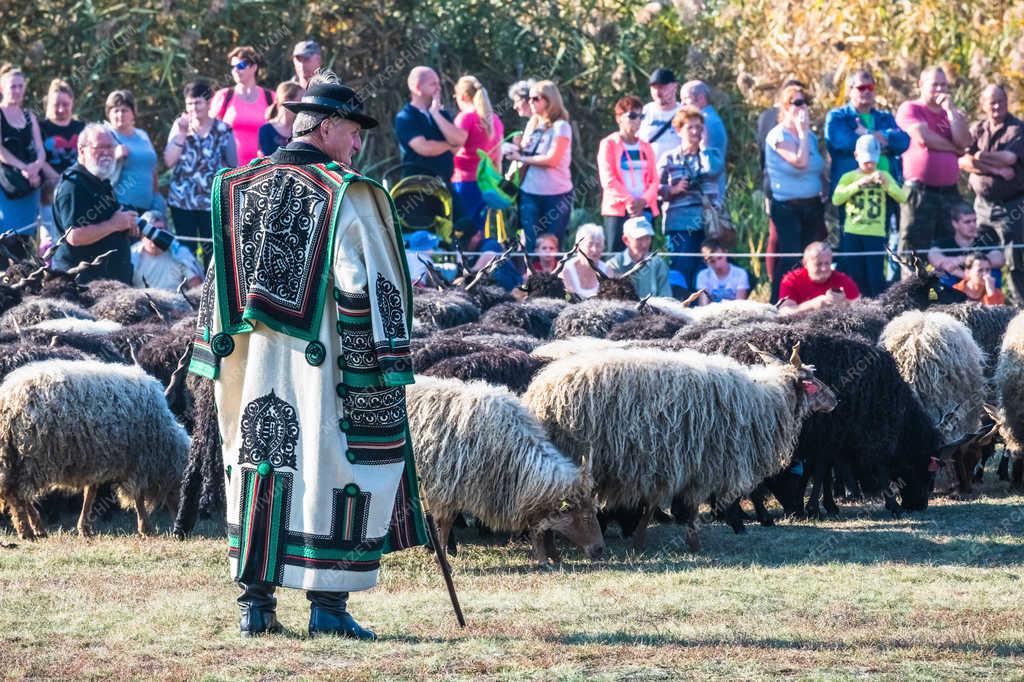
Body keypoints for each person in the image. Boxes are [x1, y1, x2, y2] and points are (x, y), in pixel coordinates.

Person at [188, 71, 428, 639]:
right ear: (325, 128)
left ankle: (256, 606)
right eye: (352, 131)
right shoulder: (349, 194)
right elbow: (365, 285)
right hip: (324, 360)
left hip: (250, 362)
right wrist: (386, 362)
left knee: (258, 466)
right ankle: (328, 607)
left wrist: (214, 353)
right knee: (333, 469)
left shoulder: (238, 186)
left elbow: (214, 282)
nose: (357, 143)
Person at [895, 66, 971, 270]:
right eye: (935, 84)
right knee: (913, 248)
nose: (940, 89)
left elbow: (964, 141)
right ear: (921, 85)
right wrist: (954, 149)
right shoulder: (911, 108)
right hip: (919, 193)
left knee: (948, 246)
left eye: (944, 85)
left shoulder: (952, 113)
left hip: (949, 193)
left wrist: (951, 111)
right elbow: (922, 136)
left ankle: (947, 296)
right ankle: (911, 296)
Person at [959, 84, 1024, 303]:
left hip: (1012, 206)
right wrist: (994, 168)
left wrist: (977, 157)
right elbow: (963, 159)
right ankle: (977, 301)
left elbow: (1010, 159)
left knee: (1015, 258)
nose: (997, 106)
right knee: (976, 254)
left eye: (1001, 101)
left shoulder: (1016, 128)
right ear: (983, 104)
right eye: (992, 101)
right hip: (981, 206)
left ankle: (1019, 307)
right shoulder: (977, 128)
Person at [51, 124, 138, 284]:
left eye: (110, 147)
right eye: (99, 147)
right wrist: (114, 224)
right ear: (82, 150)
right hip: (83, 286)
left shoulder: (100, 180)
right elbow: (74, 236)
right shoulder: (73, 186)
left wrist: (127, 221)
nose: (106, 152)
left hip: (108, 282)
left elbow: (108, 216)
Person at [765, 84, 827, 301]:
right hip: (787, 208)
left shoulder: (809, 137)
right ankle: (779, 302)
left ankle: (805, 300)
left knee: (811, 256)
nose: (803, 107)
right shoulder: (778, 135)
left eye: (805, 102)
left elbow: (816, 166)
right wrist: (801, 132)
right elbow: (800, 162)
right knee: (790, 257)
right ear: (786, 106)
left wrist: (825, 189)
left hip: (812, 205)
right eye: (798, 102)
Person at [164, 79, 238, 261]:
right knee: (185, 251)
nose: (193, 107)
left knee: (212, 251)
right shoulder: (180, 126)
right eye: (189, 103)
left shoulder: (223, 129)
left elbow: (233, 164)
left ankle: (211, 288)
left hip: (211, 202)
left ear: (208, 102)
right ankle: (187, 287)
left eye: (198, 102)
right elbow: (169, 161)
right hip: (182, 201)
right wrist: (181, 133)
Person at [831, 135, 909, 297]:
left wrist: (886, 184)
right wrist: (858, 185)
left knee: (875, 277)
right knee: (855, 275)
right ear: (856, 156)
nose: (869, 165)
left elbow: (902, 197)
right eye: (866, 161)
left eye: (872, 161)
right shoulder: (848, 177)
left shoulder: (884, 175)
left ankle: (876, 306)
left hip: (876, 233)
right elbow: (836, 199)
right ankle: (856, 306)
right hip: (853, 233)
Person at [657, 106, 723, 290]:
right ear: (679, 130)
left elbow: (714, 170)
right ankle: (681, 306)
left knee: (705, 268)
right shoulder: (670, 158)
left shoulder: (711, 155)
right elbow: (655, 188)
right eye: (690, 127)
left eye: (699, 127)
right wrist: (674, 189)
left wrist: (703, 149)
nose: (695, 132)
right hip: (680, 224)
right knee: (682, 269)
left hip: (708, 223)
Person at [507, 80, 573, 250]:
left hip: (557, 195)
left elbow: (552, 160)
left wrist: (521, 158)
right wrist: (515, 148)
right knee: (530, 244)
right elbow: (525, 153)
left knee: (552, 245)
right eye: (529, 98)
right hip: (529, 192)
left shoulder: (561, 126)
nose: (530, 102)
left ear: (549, 100)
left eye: (535, 98)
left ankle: (553, 277)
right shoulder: (533, 124)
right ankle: (530, 277)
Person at [758, 79, 806, 287]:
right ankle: (777, 285)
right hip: (776, 187)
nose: (802, 105)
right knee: (778, 239)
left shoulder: (804, 123)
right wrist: (767, 187)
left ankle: (796, 285)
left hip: (801, 193)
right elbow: (763, 154)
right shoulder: (769, 118)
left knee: (795, 243)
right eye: (797, 101)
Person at [598, 95, 660, 248]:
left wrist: (643, 201)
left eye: (641, 116)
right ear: (619, 118)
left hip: (644, 209)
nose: (637, 121)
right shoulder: (609, 144)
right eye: (632, 116)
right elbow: (608, 179)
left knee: (644, 257)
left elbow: (654, 179)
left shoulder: (646, 146)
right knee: (616, 257)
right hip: (618, 210)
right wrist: (630, 202)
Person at [451, 75, 504, 249]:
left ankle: (461, 267)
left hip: (463, 181)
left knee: (461, 229)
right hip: (485, 183)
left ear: (463, 96)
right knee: (479, 230)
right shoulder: (494, 120)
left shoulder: (465, 118)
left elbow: (454, 146)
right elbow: (498, 154)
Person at [394, 66, 465, 180]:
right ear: (417, 88)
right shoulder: (405, 117)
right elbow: (425, 148)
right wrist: (448, 145)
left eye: (438, 84)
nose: (439, 88)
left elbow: (459, 143)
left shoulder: (442, 114)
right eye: (433, 84)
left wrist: (435, 114)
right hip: (418, 185)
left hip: (446, 185)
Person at [210, 46, 276, 166]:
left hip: (264, 170)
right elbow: (210, 131)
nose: (235, 70)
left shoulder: (271, 97)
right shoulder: (224, 96)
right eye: (233, 67)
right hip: (230, 170)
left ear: (254, 67)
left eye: (240, 66)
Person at [0, 64, 43, 236]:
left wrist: (35, 167)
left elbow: (40, 148)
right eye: (13, 86)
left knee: (25, 240)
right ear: (2, 88)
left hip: (30, 183)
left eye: (20, 86)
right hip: (6, 183)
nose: (17, 90)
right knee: (6, 238)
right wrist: (24, 168)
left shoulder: (29, 115)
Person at [39, 79, 84, 242]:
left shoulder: (81, 128)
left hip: (77, 191)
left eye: (65, 104)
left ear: (72, 103)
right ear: (47, 104)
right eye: (56, 105)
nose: (61, 109)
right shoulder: (40, 127)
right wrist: (58, 178)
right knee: (51, 242)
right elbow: (37, 157)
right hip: (49, 193)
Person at [105, 89, 162, 214]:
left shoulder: (142, 135)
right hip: (121, 206)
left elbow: (152, 168)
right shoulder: (106, 136)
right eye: (115, 110)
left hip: (149, 206)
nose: (120, 115)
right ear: (109, 114)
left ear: (133, 113)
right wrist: (114, 156)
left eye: (124, 110)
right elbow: (94, 170)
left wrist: (157, 196)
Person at [928, 202, 1004, 285]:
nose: (973, 225)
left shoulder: (985, 241)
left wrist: (961, 261)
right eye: (967, 222)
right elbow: (935, 259)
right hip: (952, 288)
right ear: (955, 224)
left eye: (974, 221)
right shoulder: (943, 243)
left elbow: (999, 260)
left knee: (993, 273)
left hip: (981, 288)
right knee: (940, 274)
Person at [130, 210, 203, 290]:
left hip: (176, 301)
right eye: (151, 230)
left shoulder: (179, 253)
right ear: (142, 234)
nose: (155, 234)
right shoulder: (133, 255)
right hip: (143, 301)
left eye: (160, 229)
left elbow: (196, 287)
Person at [778, 241, 860, 311]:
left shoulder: (842, 280)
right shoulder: (791, 280)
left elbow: (859, 308)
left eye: (827, 263)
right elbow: (784, 312)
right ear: (805, 263)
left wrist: (844, 303)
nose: (824, 268)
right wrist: (812, 305)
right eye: (818, 264)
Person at [680, 80, 728, 198]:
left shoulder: (706, 122)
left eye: (686, 98)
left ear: (701, 98)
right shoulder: (712, 119)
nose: (682, 104)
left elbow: (710, 163)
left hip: (707, 192)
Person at [606, 216, 671, 298]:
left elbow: (666, 297)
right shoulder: (614, 265)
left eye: (647, 238)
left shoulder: (657, 263)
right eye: (639, 239)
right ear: (626, 240)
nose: (644, 244)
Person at [639, 67, 681, 163]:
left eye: (662, 87)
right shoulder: (644, 112)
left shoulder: (685, 113)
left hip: (677, 173)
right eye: (654, 88)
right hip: (648, 172)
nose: (658, 93)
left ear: (675, 86)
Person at [560, 223, 607, 298]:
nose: (594, 250)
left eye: (598, 245)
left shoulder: (607, 270)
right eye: (590, 244)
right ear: (578, 247)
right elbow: (568, 298)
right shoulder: (566, 270)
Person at [695, 238, 749, 303]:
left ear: (726, 253)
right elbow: (703, 306)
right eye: (712, 261)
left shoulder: (740, 274)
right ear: (705, 261)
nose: (718, 265)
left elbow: (740, 305)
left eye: (720, 258)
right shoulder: (702, 275)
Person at [258, 81, 303, 157]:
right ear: (287, 100)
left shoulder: (301, 130)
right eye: (301, 99)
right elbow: (267, 161)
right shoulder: (266, 130)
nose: (304, 104)